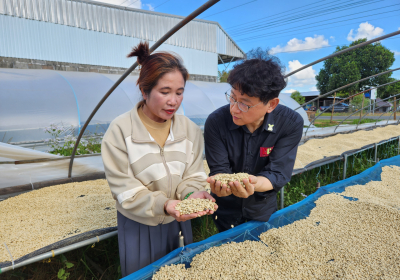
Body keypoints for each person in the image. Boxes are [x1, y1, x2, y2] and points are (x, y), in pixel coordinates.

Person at [101, 42, 216, 277]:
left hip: (180, 219)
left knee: (181, 272)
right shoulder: (121, 131)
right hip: (140, 224)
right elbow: (124, 188)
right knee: (144, 273)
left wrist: (189, 196)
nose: (173, 101)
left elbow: (193, 174)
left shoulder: (189, 130)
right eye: (165, 92)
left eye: (179, 92)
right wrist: (163, 204)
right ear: (144, 91)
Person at [204, 55, 303, 232]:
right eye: (232, 98)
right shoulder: (216, 122)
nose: (234, 108)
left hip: (262, 207)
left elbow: (277, 172)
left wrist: (252, 183)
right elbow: (220, 170)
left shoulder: (289, 123)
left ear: (271, 104)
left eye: (244, 104)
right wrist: (223, 186)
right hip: (225, 208)